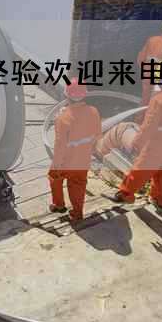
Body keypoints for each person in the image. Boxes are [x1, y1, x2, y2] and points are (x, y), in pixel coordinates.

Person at [99, 60, 162, 212]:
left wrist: (136, 144)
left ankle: (125, 195)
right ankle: (159, 200)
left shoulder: (159, 100)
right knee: (160, 174)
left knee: (139, 170)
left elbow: (148, 126)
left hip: (156, 146)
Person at [48, 78, 102, 221]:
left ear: (67, 96)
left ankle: (59, 205)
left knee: (54, 177)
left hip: (66, 161)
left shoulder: (63, 118)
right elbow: (97, 135)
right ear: (85, 95)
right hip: (83, 159)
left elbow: (60, 145)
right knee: (78, 185)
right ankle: (77, 213)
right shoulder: (93, 112)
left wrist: (56, 164)